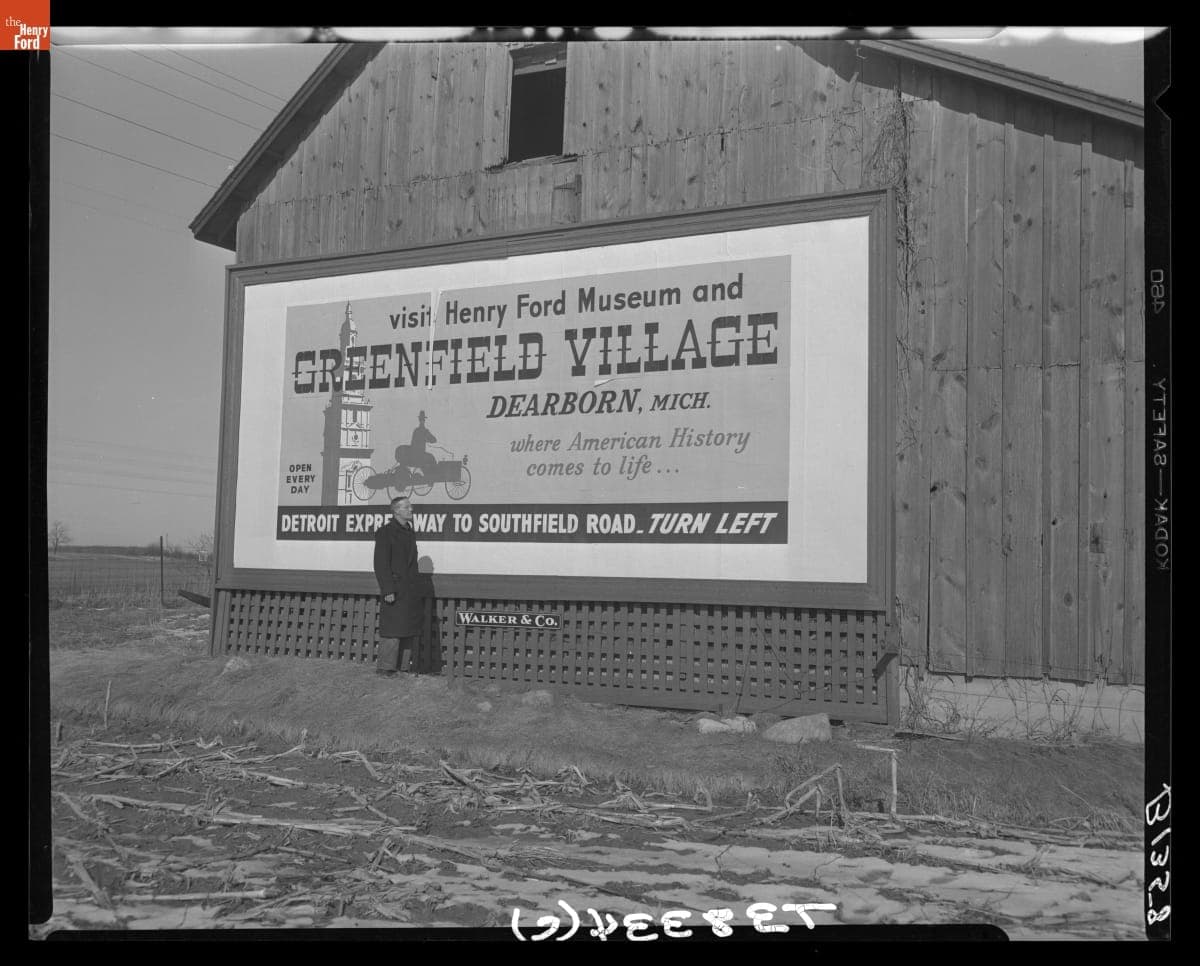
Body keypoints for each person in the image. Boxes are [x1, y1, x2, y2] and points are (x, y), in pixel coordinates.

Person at [372, 495, 424, 675]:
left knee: (407, 628)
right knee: (393, 629)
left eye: (410, 507)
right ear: (396, 511)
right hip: (394, 589)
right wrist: (387, 589)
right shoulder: (385, 532)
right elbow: (381, 563)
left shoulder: (409, 531)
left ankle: (403, 667)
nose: (411, 510)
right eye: (407, 507)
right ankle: (386, 668)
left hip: (409, 590)